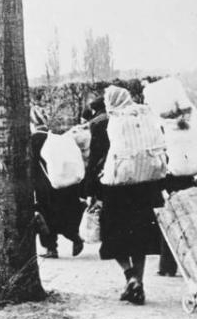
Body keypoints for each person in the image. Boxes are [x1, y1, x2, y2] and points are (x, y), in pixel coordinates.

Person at [84, 86, 164, 305]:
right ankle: (139, 283)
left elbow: (95, 159)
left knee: (113, 235)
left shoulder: (103, 124)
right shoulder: (144, 118)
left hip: (115, 189)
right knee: (139, 236)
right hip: (144, 186)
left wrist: (90, 190)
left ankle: (130, 278)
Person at [29, 106, 85, 259]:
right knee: (63, 213)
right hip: (61, 182)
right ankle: (74, 236)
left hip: (45, 186)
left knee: (45, 217)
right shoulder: (52, 137)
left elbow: (32, 165)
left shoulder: (33, 140)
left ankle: (51, 248)